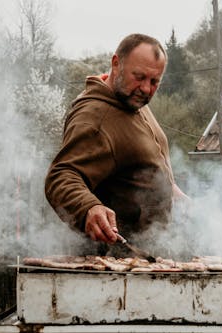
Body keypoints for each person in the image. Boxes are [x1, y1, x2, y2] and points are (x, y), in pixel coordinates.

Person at [45, 33, 187, 252]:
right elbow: (61, 176)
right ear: (116, 64)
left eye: (154, 81)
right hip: (114, 262)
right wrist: (88, 207)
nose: (146, 89)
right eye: (139, 77)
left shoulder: (131, 100)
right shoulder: (95, 117)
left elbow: (138, 161)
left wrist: (170, 190)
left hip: (147, 255)